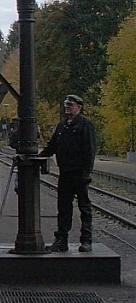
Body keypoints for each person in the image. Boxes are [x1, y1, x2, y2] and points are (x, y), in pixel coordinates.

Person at [39, 94, 96, 252]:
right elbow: (52, 147)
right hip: (65, 174)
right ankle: (61, 239)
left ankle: (86, 240)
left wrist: (86, 172)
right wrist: (38, 157)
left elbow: (89, 150)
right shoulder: (62, 126)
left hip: (79, 173)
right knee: (63, 207)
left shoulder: (85, 125)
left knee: (84, 207)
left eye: (70, 105)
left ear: (79, 107)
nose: (67, 107)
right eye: (66, 105)